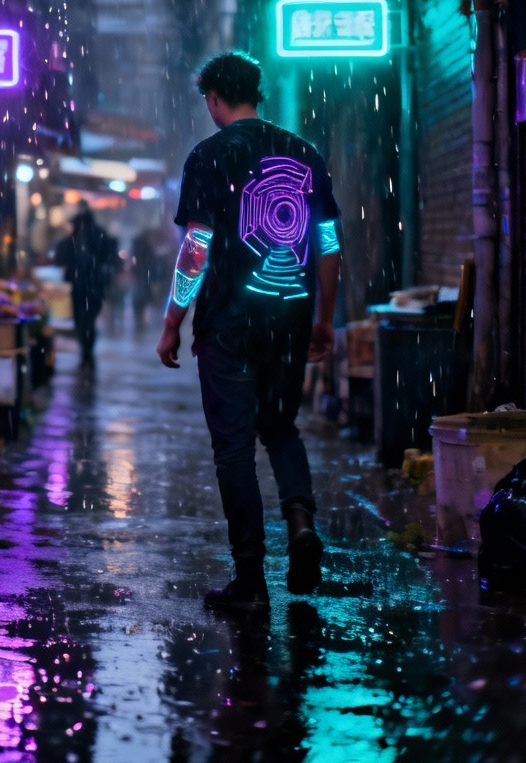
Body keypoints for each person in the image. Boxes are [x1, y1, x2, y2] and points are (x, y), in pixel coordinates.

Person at [156, 51, 341, 614]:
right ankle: (301, 523)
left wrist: (173, 320)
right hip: (289, 316)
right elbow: (328, 244)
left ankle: (251, 582)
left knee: (233, 449)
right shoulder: (304, 153)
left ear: (214, 99)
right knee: (281, 428)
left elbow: (196, 246)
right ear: (255, 93)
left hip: (228, 325)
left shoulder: (209, 155)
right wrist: (323, 317)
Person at [52, 202, 120, 368]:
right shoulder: (99, 235)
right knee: (89, 318)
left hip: (80, 286)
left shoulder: (74, 239)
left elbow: (60, 258)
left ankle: (86, 348)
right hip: (95, 286)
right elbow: (112, 258)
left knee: (81, 318)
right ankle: (87, 348)